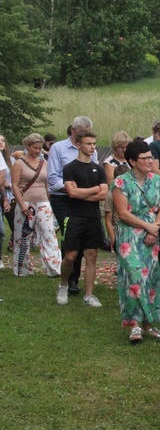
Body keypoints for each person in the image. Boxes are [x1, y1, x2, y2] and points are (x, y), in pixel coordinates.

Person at [112, 140, 160, 342]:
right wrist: (148, 227)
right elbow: (122, 213)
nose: (149, 161)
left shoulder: (157, 181)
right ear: (132, 161)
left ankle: (148, 325)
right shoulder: (121, 182)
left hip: (152, 232)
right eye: (144, 158)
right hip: (129, 235)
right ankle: (134, 325)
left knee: (153, 277)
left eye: (150, 157)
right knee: (135, 277)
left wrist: (155, 228)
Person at [55, 130, 107, 307]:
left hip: (92, 216)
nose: (92, 147)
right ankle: (63, 284)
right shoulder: (70, 168)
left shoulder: (98, 168)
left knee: (91, 255)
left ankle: (89, 294)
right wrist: (93, 190)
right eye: (88, 143)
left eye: (94, 144)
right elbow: (71, 192)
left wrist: (81, 193)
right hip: (74, 216)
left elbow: (103, 194)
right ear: (79, 145)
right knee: (70, 256)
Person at [48, 116, 98, 295]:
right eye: (82, 132)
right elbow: (53, 177)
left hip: (85, 199)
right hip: (63, 198)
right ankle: (68, 279)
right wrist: (71, 189)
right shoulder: (58, 148)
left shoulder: (92, 150)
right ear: (74, 131)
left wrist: (82, 191)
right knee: (71, 236)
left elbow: (97, 179)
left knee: (85, 240)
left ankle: (73, 279)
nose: (89, 143)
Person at [10, 133, 61, 278]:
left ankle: (54, 267)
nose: (38, 151)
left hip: (43, 202)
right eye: (35, 148)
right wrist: (22, 205)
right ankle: (22, 268)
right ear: (27, 146)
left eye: (40, 148)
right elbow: (15, 185)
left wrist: (48, 199)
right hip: (25, 202)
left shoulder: (44, 163)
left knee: (48, 233)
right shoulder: (19, 163)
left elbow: (46, 183)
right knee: (22, 236)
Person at [0, 133, 12, 265]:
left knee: (2, 230)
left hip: (9, 195)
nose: (1, 143)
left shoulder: (10, 160)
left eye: (3, 140)